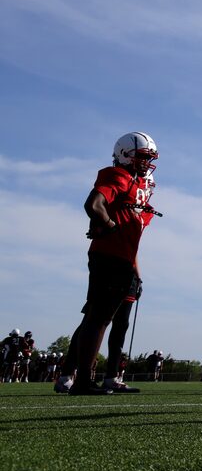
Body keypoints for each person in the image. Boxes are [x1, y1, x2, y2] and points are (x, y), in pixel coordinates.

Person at [58, 132, 158, 395]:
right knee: (97, 318)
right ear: (125, 154)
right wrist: (110, 226)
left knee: (102, 318)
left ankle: (84, 379)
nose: (146, 163)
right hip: (110, 256)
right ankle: (79, 381)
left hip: (122, 258)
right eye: (143, 157)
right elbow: (94, 204)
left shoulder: (134, 185)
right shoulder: (117, 176)